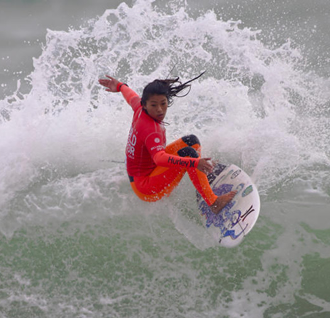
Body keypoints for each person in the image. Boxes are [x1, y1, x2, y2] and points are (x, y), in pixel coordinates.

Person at [98, 74, 236, 214]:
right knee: (190, 155)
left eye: (163, 103)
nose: (159, 109)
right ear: (145, 104)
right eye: (154, 105)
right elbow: (159, 158)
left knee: (191, 141)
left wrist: (121, 86)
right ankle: (213, 203)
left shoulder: (139, 107)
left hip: (143, 170)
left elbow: (131, 96)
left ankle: (203, 177)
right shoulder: (151, 130)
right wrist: (194, 163)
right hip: (146, 187)